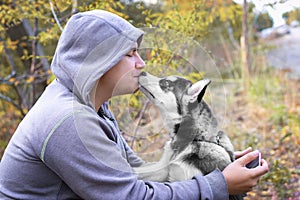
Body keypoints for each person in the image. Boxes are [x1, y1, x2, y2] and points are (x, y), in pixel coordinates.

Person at [0, 10, 268, 199]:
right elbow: (132, 196)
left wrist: (216, 169)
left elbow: (136, 172)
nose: (141, 63)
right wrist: (217, 186)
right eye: (130, 54)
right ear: (99, 62)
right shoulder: (68, 120)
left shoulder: (92, 106)